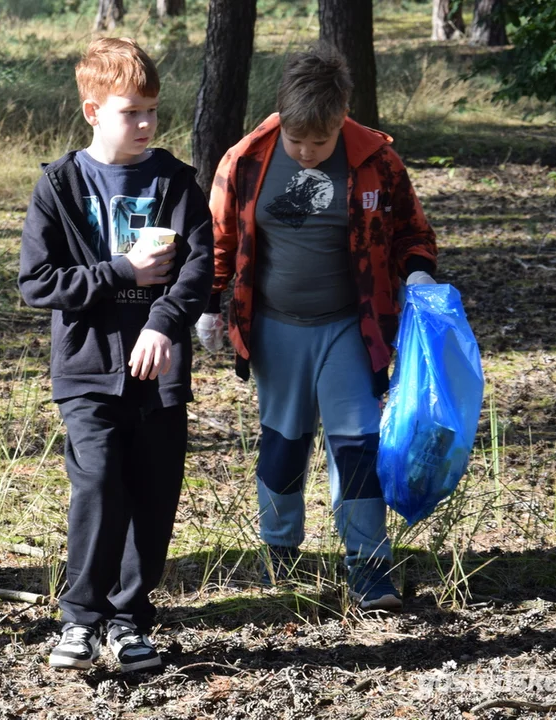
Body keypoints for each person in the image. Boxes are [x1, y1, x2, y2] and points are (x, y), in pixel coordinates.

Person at [198, 45, 438, 611]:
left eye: (320, 142)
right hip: (276, 328)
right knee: (284, 441)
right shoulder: (247, 159)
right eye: (296, 140)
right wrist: (210, 303)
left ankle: (369, 565)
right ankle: (278, 552)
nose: (306, 153)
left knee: (356, 442)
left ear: (341, 119)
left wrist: (420, 274)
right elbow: (221, 239)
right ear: (280, 118)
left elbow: (411, 231)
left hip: (351, 329)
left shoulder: (377, 160)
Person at [19, 37, 213, 672]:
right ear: (93, 111)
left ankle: (129, 622)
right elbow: (38, 282)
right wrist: (118, 269)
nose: (146, 124)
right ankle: (80, 621)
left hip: (159, 373)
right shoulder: (59, 186)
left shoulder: (178, 182)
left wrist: (163, 325)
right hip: (86, 369)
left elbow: (198, 270)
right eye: (131, 111)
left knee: (153, 496)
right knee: (99, 486)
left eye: (153, 111)